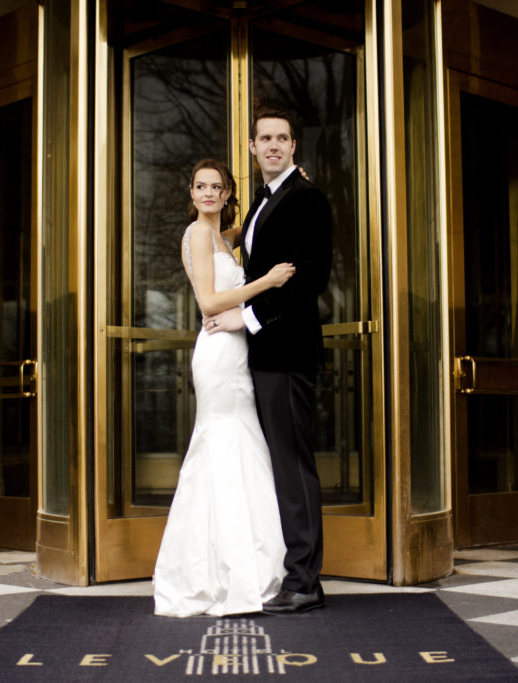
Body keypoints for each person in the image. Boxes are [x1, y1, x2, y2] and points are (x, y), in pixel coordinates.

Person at [153, 158, 296, 617]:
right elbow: (210, 301)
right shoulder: (197, 235)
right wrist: (265, 282)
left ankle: (246, 564)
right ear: (191, 194)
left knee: (243, 446)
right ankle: (213, 572)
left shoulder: (220, 237)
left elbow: (254, 225)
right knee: (221, 447)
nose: (209, 193)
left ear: (228, 194)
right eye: (201, 186)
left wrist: (289, 187)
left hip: (238, 351)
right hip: (218, 352)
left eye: (217, 186)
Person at [204, 110, 333, 614]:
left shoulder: (308, 199)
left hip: (286, 353)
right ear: (253, 147)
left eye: (282, 138)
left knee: (293, 464)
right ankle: (285, 569)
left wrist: (248, 319)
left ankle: (305, 582)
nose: (274, 145)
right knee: (274, 465)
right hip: (261, 357)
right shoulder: (262, 201)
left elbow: (309, 279)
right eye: (265, 138)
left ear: (294, 145)